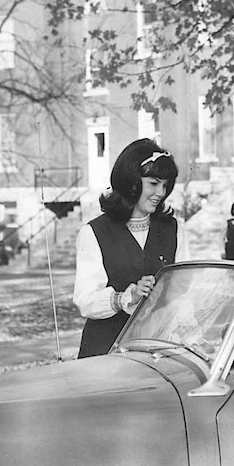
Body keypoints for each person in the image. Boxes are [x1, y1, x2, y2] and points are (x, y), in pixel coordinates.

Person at [73, 138, 190, 358]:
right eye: (153, 183)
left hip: (157, 350)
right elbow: (86, 301)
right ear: (132, 182)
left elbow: (182, 292)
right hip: (105, 352)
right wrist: (127, 297)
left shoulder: (174, 230)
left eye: (165, 186)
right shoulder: (94, 232)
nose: (161, 193)